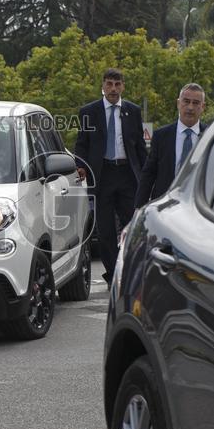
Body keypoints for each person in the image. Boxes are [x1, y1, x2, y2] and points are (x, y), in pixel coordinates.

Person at [73, 68, 148, 286]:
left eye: (117, 84)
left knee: (131, 227)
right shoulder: (89, 112)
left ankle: (130, 271)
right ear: (103, 86)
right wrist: (80, 166)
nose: (113, 89)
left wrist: (147, 175)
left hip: (127, 175)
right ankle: (114, 274)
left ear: (123, 86)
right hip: (102, 175)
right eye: (109, 84)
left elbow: (140, 147)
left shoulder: (133, 111)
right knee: (105, 231)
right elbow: (82, 143)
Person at [135, 84, 208, 208]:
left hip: (198, 207)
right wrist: (139, 207)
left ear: (203, 107)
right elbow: (149, 174)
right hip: (165, 206)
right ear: (178, 103)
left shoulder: (211, 136)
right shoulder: (161, 136)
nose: (190, 107)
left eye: (196, 103)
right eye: (186, 101)